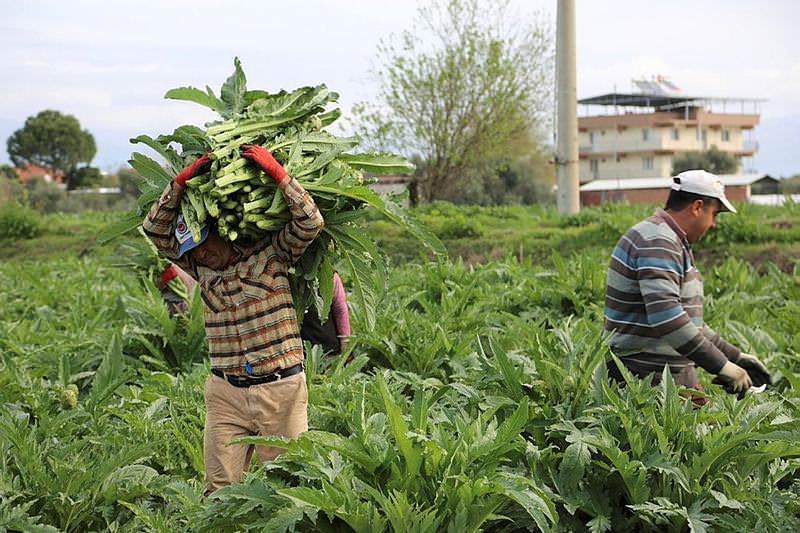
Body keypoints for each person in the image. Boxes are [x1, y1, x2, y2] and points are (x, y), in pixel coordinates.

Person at [142, 145, 324, 495]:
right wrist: (178, 184)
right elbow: (154, 231)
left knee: (287, 487)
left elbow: (310, 222)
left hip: (280, 391)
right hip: (225, 392)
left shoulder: (272, 254)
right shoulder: (202, 269)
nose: (199, 253)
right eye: (191, 251)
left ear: (220, 231)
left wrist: (278, 175)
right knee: (218, 489)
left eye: (203, 244)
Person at [603, 169, 772, 401]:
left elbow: (689, 321)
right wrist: (722, 366)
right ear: (697, 207)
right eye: (714, 214)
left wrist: (734, 356)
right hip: (644, 382)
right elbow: (668, 318)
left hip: (665, 377)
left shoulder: (671, 241)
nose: (713, 224)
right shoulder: (658, 241)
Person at [300, 271, 351, 356]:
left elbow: (340, 310)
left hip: (330, 349)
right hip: (302, 352)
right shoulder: (289, 277)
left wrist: (345, 341)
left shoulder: (330, 275)